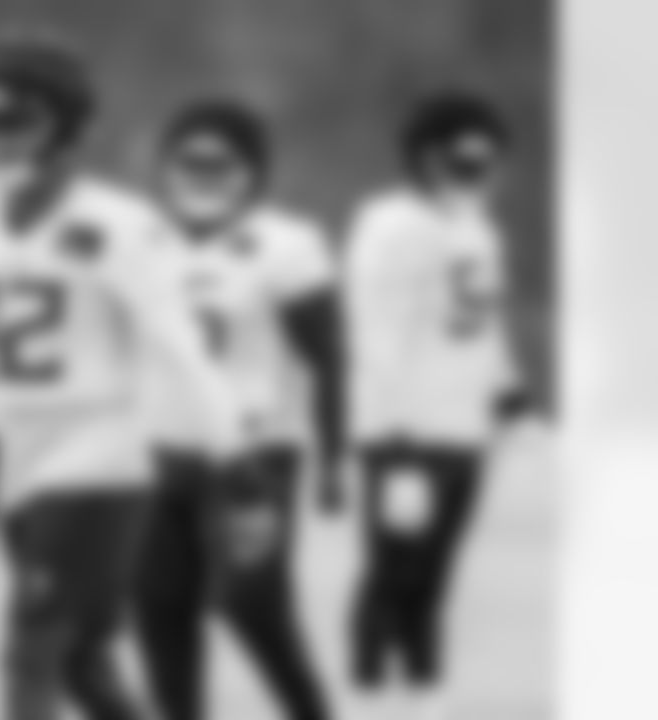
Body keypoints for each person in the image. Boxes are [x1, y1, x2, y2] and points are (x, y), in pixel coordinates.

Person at [0, 36, 234, 720]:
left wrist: (234, 463)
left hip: (99, 454)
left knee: (29, 651)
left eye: (7, 120)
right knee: (83, 665)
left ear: (60, 128)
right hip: (18, 459)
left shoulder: (116, 225)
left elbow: (179, 348)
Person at [136, 99, 339, 720]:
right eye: (188, 162)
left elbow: (330, 357)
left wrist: (335, 458)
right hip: (156, 453)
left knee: (252, 605)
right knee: (160, 609)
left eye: (219, 164)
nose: (202, 177)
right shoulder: (134, 240)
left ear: (251, 172)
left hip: (255, 456)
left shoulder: (286, 245)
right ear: (164, 167)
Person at [344, 92, 529, 720]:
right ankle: (367, 694)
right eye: (464, 161)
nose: (479, 175)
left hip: (462, 429)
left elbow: (486, 328)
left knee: (435, 576)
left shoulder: (480, 230)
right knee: (391, 572)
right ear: (425, 159)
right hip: (405, 430)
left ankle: (427, 695)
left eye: (488, 162)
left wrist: (510, 396)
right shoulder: (389, 225)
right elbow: (376, 333)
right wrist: (397, 447)